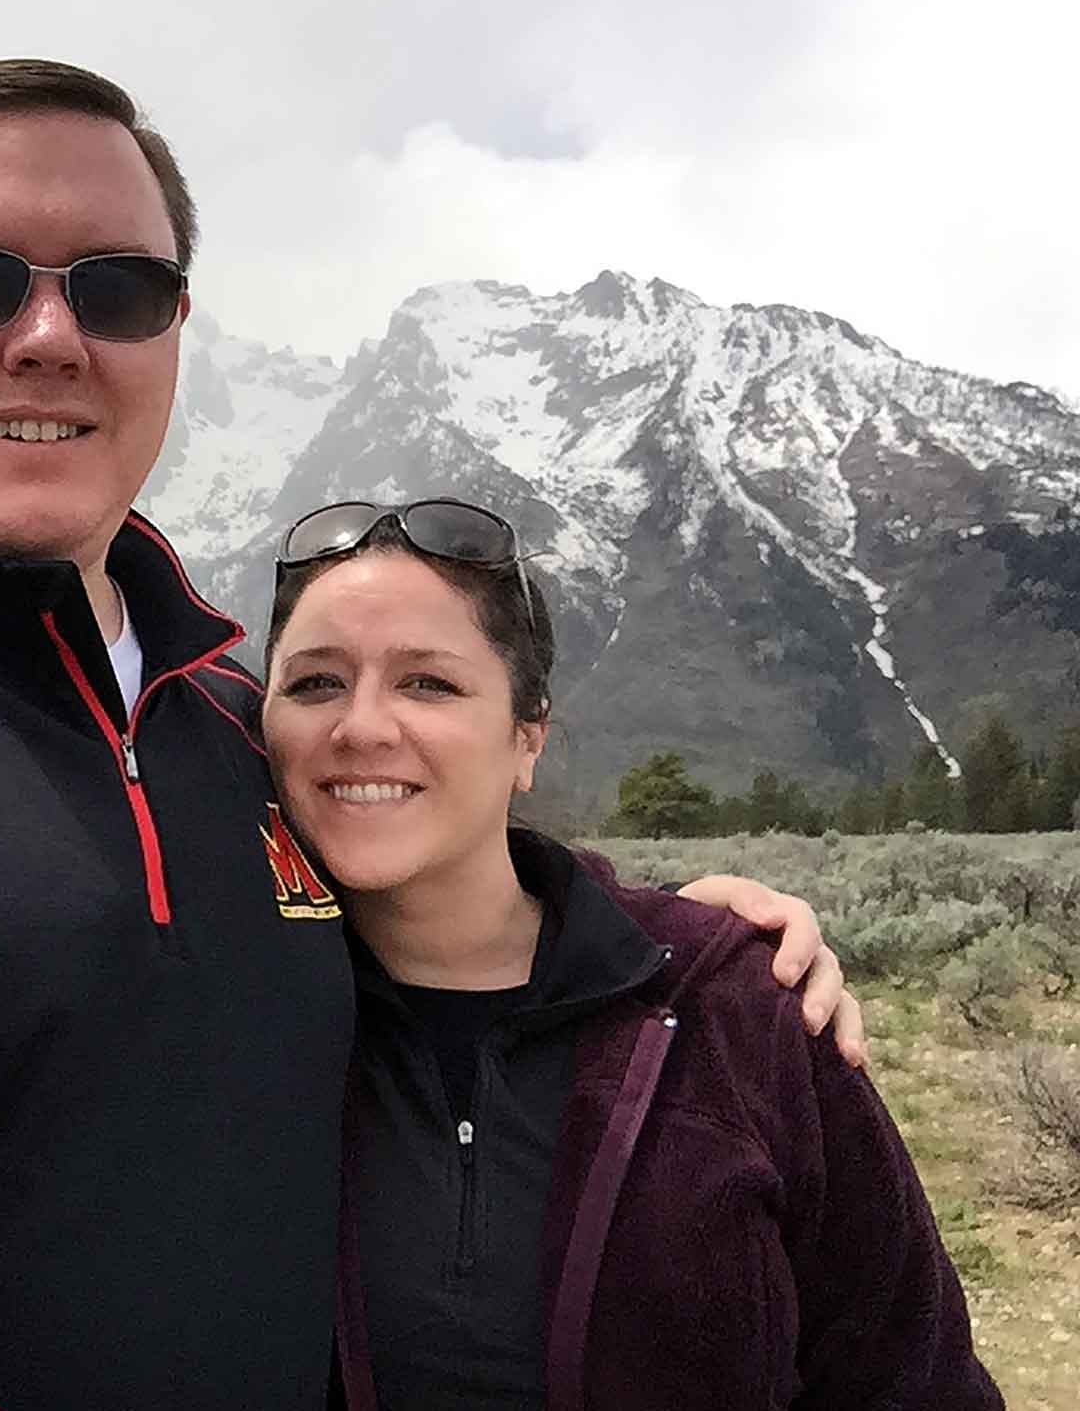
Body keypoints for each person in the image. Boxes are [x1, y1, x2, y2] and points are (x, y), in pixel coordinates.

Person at [0, 59, 860, 1411]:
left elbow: (445, 896)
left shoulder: (243, 728)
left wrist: (681, 943)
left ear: (174, 329)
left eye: (116, 289)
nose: (47, 337)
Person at [257, 498, 998, 1410]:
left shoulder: (736, 1009)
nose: (362, 726)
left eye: (429, 684)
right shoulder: (238, 1012)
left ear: (527, 736)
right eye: (315, 683)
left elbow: (910, 1375)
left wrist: (694, 941)